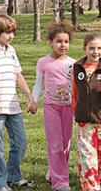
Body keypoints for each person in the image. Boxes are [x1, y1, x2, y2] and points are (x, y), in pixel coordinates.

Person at [0, 14, 36, 191]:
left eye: (12, 33)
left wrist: (29, 96)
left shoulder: (11, 50)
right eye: (7, 32)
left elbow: (18, 75)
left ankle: (13, 176)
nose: (10, 36)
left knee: (20, 141)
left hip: (12, 105)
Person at [31, 22, 75, 191]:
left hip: (69, 108)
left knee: (66, 144)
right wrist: (33, 101)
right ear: (50, 42)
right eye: (58, 41)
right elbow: (38, 85)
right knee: (55, 143)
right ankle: (60, 182)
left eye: (66, 41)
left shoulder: (73, 63)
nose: (63, 45)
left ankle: (53, 172)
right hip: (51, 107)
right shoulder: (43, 62)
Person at [71, 33, 101, 191]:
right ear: (85, 49)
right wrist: (77, 112)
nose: (95, 51)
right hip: (84, 120)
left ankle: (100, 180)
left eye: (99, 48)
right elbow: (74, 92)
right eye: (91, 48)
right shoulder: (77, 68)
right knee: (87, 156)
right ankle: (91, 186)